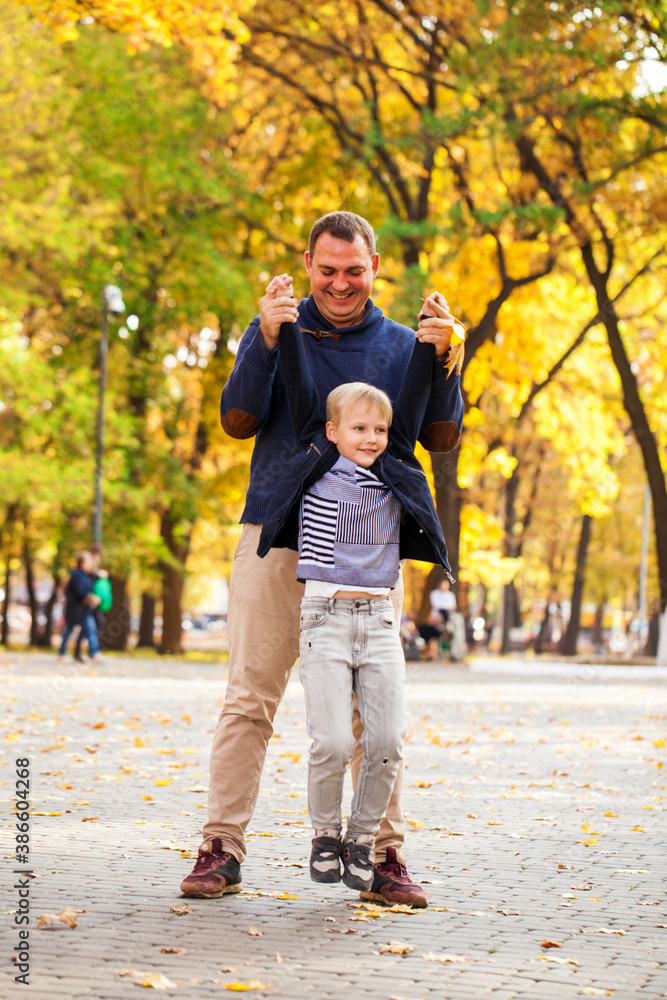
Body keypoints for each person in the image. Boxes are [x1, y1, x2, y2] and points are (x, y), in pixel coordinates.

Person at [180, 211, 464, 907]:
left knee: (374, 712)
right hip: (277, 534)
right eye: (327, 269)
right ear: (308, 264)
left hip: (366, 549)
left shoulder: (403, 345)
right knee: (249, 698)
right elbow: (237, 420)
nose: (339, 283)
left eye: (354, 271)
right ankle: (221, 847)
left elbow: (440, 437)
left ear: (374, 270)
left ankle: (382, 856)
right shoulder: (277, 325)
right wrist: (266, 339)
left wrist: (448, 361)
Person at [255, 311, 454, 891]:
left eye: (379, 430)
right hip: (325, 619)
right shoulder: (314, 462)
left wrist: (427, 345)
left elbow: (414, 401)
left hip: (379, 619)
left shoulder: (395, 469)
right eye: (358, 428)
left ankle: (361, 839)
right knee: (335, 741)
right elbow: (296, 387)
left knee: (387, 741)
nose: (370, 438)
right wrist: (288, 325)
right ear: (333, 431)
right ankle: (324, 833)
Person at [57, 552, 104, 664]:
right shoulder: (77, 574)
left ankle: (94, 653)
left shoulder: (84, 574)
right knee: (71, 630)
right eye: (88, 561)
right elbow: (81, 591)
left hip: (83, 609)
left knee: (89, 629)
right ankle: (64, 653)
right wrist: (92, 597)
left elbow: (92, 578)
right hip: (76, 609)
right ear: (83, 562)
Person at [74, 568, 112, 662]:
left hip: (96, 606)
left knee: (89, 629)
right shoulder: (92, 577)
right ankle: (91, 652)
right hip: (93, 606)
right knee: (92, 628)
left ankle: (87, 652)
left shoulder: (97, 579)